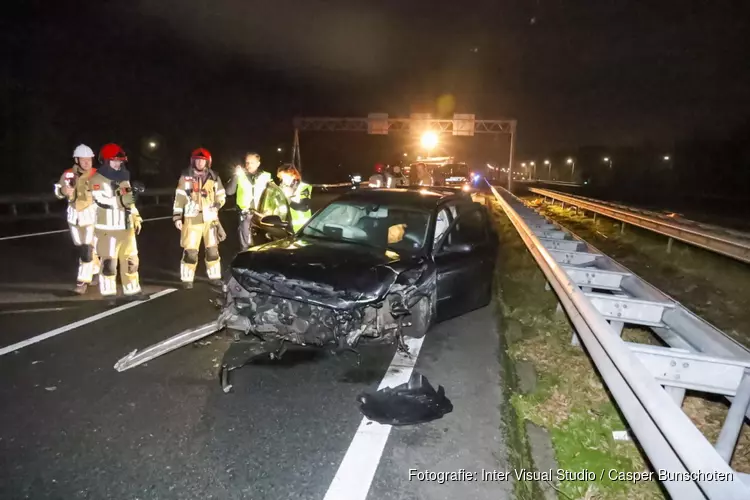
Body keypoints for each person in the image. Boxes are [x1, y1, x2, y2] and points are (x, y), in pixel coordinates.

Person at [89, 143, 146, 301]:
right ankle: (109, 294)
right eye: (114, 160)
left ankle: (132, 291)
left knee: (131, 261)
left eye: (120, 161)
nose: (118, 163)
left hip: (125, 228)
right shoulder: (96, 180)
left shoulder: (123, 178)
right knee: (109, 264)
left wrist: (136, 216)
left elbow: (129, 201)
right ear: (105, 161)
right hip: (107, 229)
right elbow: (101, 201)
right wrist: (123, 200)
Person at [172, 148, 227, 289]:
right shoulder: (185, 177)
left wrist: (218, 204)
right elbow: (179, 198)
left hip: (210, 218)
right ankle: (187, 279)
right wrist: (177, 217)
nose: (200, 163)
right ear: (193, 161)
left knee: (212, 250)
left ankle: (214, 277)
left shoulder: (214, 177)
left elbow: (221, 195)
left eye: (203, 160)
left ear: (207, 162)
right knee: (190, 251)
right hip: (192, 218)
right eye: (197, 160)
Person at [54, 144, 101, 294]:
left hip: (91, 214)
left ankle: (82, 282)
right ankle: (96, 270)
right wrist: (63, 190)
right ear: (76, 160)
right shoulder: (68, 174)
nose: (87, 162)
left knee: (86, 249)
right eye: (83, 159)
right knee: (80, 245)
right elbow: (57, 191)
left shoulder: (97, 175)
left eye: (89, 159)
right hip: (74, 215)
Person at [225, 152, 273, 251]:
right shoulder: (240, 175)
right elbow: (229, 192)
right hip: (245, 214)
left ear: (258, 163)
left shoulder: (266, 176)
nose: (249, 165)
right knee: (245, 244)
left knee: (263, 243)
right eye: (247, 162)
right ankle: (246, 263)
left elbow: (272, 194)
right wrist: (235, 175)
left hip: (261, 214)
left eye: (252, 162)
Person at [277, 164, 312, 232]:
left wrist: (287, 199)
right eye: (281, 177)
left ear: (293, 175)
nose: (283, 180)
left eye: (285, 177)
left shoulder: (303, 187)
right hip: (286, 226)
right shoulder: (283, 188)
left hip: (301, 227)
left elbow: (304, 207)